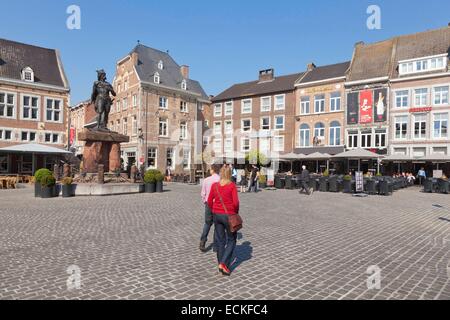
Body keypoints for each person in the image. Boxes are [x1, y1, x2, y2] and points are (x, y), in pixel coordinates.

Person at [207, 165, 240, 276]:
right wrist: (235, 212)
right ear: (230, 174)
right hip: (228, 215)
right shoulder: (231, 186)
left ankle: (221, 263)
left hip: (217, 215)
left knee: (220, 240)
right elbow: (235, 203)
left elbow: (209, 200)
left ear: (221, 173)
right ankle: (223, 263)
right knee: (231, 239)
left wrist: (213, 209)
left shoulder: (215, 185)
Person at [200, 164, 221, 252]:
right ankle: (216, 246)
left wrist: (205, 201)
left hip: (209, 204)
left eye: (210, 169)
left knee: (207, 223)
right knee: (217, 225)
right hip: (218, 205)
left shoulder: (206, 180)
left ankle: (203, 241)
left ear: (212, 170)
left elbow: (203, 194)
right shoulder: (221, 180)